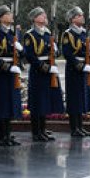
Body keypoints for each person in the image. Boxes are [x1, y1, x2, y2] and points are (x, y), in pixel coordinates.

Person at [23, 7, 65, 141]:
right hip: (38, 72)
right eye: (41, 15)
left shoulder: (47, 33)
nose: (45, 16)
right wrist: (45, 67)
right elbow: (30, 56)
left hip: (49, 70)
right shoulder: (30, 35)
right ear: (35, 19)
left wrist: (56, 51)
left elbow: (51, 53)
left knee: (46, 101)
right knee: (37, 102)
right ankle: (36, 132)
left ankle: (42, 129)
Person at [0, 5, 24, 146]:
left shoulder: (11, 34)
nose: (11, 15)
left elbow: (20, 54)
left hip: (11, 72)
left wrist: (21, 51)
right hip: (0, 73)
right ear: (1, 17)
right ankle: (1, 136)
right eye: (8, 13)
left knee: (9, 103)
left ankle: (7, 134)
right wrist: (8, 67)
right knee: (1, 103)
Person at [61, 6, 90, 137]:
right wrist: (80, 66)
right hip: (74, 70)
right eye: (79, 15)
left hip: (84, 68)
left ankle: (80, 126)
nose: (82, 17)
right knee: (74, 98)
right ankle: (74, 128)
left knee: (82, 97)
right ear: (73, 19)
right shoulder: (68, 34)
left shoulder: (84, 33)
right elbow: (67, 53)